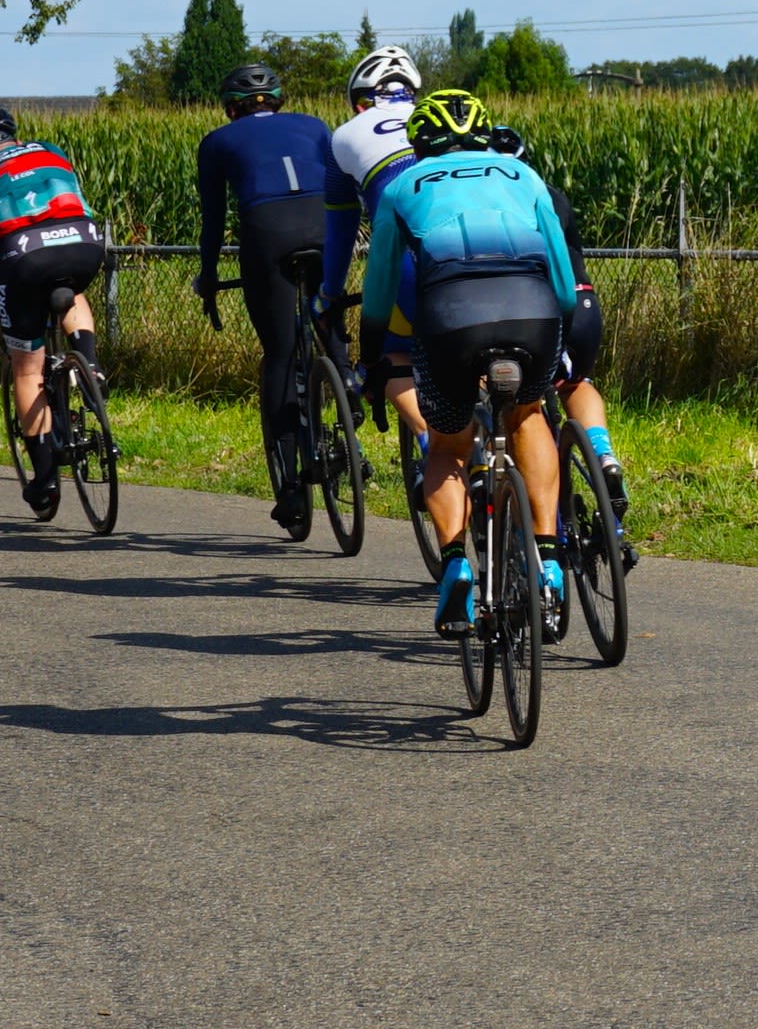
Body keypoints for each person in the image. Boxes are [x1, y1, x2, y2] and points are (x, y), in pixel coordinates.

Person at [363, 86, 625, 634]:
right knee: (529, 415)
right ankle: (550, 561)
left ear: (421, 141)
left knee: (449, 448)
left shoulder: (402, 184)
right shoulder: (524, 177)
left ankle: (456, 562)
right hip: (532, 312)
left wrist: (370, 361)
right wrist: (553, 334)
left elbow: (380, 290)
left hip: (450, 319)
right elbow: (560, 274)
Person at [196, 59, 335, 537]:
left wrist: (209, 275)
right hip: (323, 222)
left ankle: (292, 487)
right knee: (327, 308)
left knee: (279, 354)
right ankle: (348, 384)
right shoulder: (315, 125)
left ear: (232, 108)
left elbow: (213, 218)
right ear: (278, 100)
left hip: (267, 230)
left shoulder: (217, 141)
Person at [0, 103, 110, 518]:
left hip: (24, 258)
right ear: (17, 138)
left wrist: (3, 308)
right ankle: (90, 365)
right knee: (72, 292)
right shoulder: (51, 150)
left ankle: (44, 479)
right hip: (84, 242)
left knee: (26, 367)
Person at [322, 44, 428, 463]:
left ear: (360, 100)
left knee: (389, 352)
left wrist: (330, 294)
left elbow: (341, 228)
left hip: (409, 263)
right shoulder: (446, 123)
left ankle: (427, 438)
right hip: (505, 259)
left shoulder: (347, 134)